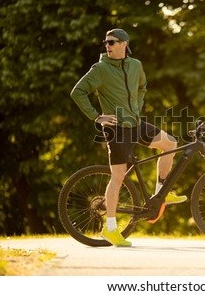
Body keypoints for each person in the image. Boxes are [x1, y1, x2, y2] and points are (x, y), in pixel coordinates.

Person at [70, 28, 187, 247]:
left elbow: (143, 86)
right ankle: (110, 228)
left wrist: (138, 105)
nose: (107, 45)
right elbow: (78, 92)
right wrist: (97, 117)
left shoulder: (136, 65)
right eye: (106, 42)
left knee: (170, 143)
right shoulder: (100, 69)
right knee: (119, 176)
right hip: (116, 128)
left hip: (135, 122)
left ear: (124, 43)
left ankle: (161, 192)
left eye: (112, 42)